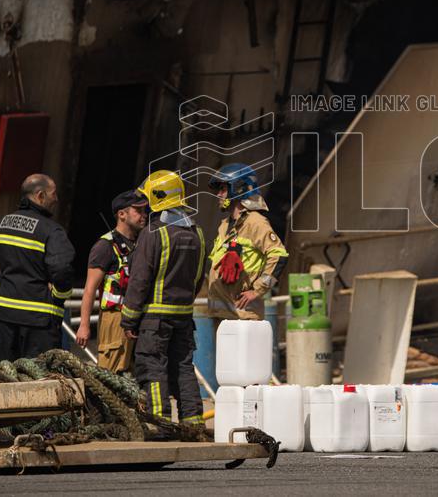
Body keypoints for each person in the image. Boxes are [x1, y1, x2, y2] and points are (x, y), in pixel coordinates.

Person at [120, 170, 206, 428]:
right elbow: (199, 278)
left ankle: (160, 423)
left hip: (154, 320)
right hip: (184, 316)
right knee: (183, 368)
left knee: (153, 368)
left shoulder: (153, 233)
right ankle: (193, 423)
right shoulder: (198, 234)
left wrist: (129, 319)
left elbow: (139, 280)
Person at [0, 174, 75, 363]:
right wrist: (56, 299)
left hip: (5, 320)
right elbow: (62, 270)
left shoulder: (3, 224)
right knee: (39, 382)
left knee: (2, 379)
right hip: (40, 324)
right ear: (40, 196)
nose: (56, 199)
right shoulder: (52, 231)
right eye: (53, 194)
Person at [75, 189, 149, 374]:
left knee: (136, 375)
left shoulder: (143, 243)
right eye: (138, 211)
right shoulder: (105, 246)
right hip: (114, 319)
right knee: (111, 373)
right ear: (121, 214)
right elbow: (90, 289)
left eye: (145, 211)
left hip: (138, 317)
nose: (144, 215)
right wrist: (84, 326)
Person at [206, 163, 288, 322]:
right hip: (222, 315)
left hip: (244, 317)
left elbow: (279, 256)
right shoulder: (224, 225)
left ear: (237, 189)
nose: (219, 195)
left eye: (223, 189)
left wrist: (257, 291)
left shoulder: (255, 222)